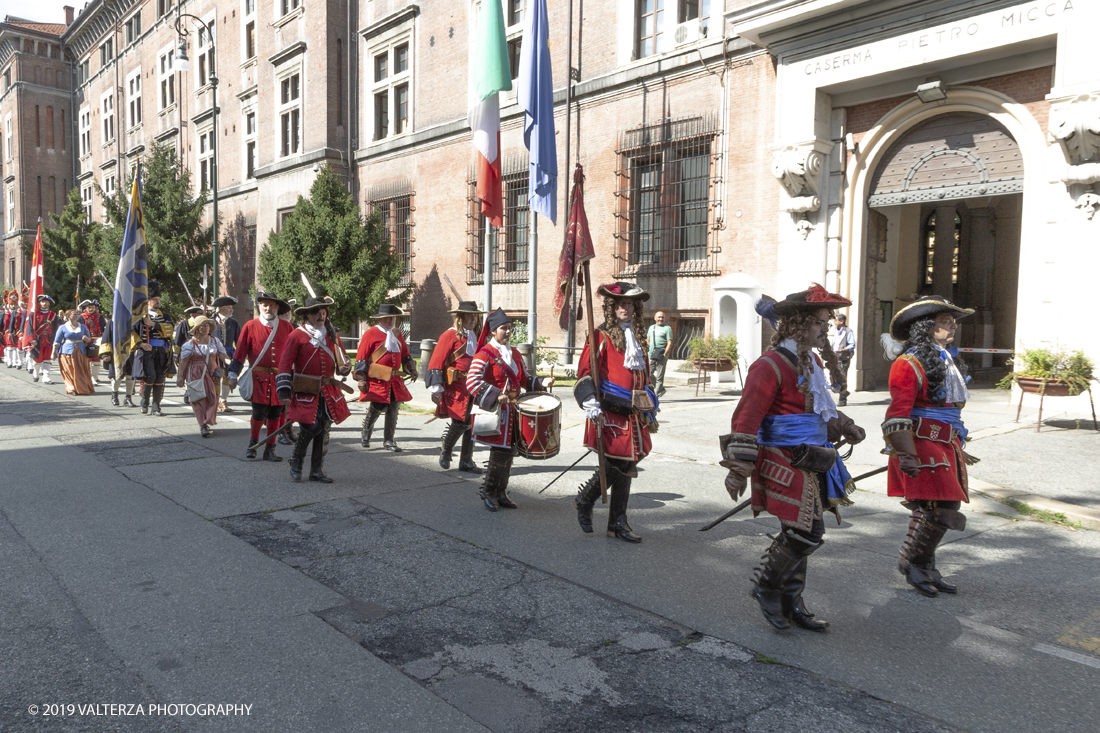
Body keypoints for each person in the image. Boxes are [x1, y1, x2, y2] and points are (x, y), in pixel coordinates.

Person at [721, 284, 866, 632]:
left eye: (826, 323)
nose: (824, 329)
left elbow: (821, 408)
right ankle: (767, 587)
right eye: (819, 322)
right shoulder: (768, 365)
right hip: (781, 457)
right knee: (807, 531)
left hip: (813, 457)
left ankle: (792, 600)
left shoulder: (811, 361)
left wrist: (846, 425)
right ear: (798, 324)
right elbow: (745, 420)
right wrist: (739, 470)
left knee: (798, 528)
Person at [882, 296, 976, 598]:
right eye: (945, 322)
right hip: (922, 443)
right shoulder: (907, 364)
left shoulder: (946, 359)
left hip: (947, 443)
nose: (952, 326)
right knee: (939, 507)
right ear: (926, 327)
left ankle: (924, 566)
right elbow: (897, 413)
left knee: (939, 507)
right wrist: (906, 453)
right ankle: (912, 563)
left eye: (952, 322)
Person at [573, 283, 659, 543]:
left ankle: (615, 522)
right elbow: (584, 374)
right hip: (610, 410)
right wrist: (589, 401)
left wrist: (650, 395)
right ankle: (588, 501)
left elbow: (643, 374)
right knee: (620, 462)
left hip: (635, 413)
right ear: (611, 307)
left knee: (630, 461)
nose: (626, 308)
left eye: (630, 304)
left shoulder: (637, 336)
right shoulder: (599, 337)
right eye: (620, 304)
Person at [465, 308, 553, 511]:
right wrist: (496, 395)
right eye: (504, 328)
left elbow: (524, 379)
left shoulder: (514, 353)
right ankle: (488, 492)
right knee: (499, 452)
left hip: (514, 411)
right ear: (493, 331)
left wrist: (542, 382)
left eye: (510, 328)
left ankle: (501, 492)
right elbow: (472, 382)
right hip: (497, 411)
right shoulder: (483, 354)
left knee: (510, 451)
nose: (508, 332)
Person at [276, 297, 352, 482]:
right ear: (308, 315)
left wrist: (345, 367)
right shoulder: (297, 335)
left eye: (324, 313)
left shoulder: (331, 334)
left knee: (324, 429)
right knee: (311, 427)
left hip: (327, 390)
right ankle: (296, 460)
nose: (321, 316)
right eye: (317, 313)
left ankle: (317, 470)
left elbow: (342, 358)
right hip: (305, 390)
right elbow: (285, 363)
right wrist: (284, 390)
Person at [228, 292, 293, 461]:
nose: (268, 308)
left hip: (279, 379)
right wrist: (233, 374)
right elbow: (240, 352)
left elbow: (294, 354)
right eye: (264, 305)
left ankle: (270, 449)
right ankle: (253, 444)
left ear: (277, 307)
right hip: (258, 379)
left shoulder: (287, 327)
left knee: (275, 414)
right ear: (259, 307)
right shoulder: (250, 326)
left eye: (271, 305)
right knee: (258, 413)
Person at [426, 301, 485, 473]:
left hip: (475, 384)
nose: (473, 318)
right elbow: (436, 362)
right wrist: (436, 388)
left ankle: (466, 460)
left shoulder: (477, 335)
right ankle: (446, 450)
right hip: (456, 386)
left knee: (473, 423)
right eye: (469, 315)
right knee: (460, 422)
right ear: (460, 317)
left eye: (475, 315)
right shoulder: (449, 335)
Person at [354, 304, 416, 452]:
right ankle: (366, 433)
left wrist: (411, 368)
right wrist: (361, 379)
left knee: (393, 409)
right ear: (381, 319)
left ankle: (389, 441)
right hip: (377, 378)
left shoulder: (397, 333)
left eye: (393, 317)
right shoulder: (371, 333)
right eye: (388, 317)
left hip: (394, 379)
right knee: (377, 408)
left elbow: (405, 354)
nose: (391, 320)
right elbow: (361, 358)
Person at [176, 316, 228, 437]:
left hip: (213, 373)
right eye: (202, 326)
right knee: (198, 399)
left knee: (213, 397)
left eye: (207, 325)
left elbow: (222, 354)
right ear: (197, 329)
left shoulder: (215, 341)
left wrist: (230, 362)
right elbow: (183, 362)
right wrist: (180, 377)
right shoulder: (190, 344)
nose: (205, 328)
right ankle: (203, 425)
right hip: (196, 373)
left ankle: (207, 420)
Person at [132, 281, 175, 416]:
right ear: (148, 301)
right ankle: (145, 401)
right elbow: (132, 332)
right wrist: (141, 344)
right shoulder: (140, 315)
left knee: (160, 378)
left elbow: (169, 330)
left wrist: (153, 324)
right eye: (154, 300)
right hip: (146, 351)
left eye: (158, 300)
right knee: (150, 376)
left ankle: (156, 405)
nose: (157, 302)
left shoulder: (165, 316)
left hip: (162, 351)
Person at [52, 309, 96, 395]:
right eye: (74, 314)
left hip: (81, 351)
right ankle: (72, 388)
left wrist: (86, 339)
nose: (76, 316)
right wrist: (53, 353)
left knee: (81, 370)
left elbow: (89, 339)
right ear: (68, 316)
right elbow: (57, 341)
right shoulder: (63, 327)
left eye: (76, 314)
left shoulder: (83, 327)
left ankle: (82, 387)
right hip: (67, 352)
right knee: (69, 370)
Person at [98, 314, 136, 407]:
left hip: (131, 351)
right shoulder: (112, 322)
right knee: (117, 375)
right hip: (116, 352)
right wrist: (106, 354)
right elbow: (106, 337)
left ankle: (128, 398)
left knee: (130, 375)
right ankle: (114, 395)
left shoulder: (133, 321)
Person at [213, 296, 241, 413]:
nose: (231, 310)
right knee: (215, 377)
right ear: (222, 309)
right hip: (213, 355)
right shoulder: (210, 322)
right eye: (229, 308)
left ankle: (223, 400)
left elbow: (239, 340)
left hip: (229, 354)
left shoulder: (233, 323)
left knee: (227, 377)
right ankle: (213, 401)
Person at [276, 299, 298, 446]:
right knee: (278, 405)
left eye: (289, 313)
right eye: (285, 313)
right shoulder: (273, 327)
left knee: (291, 403)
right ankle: (280, 432)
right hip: (276, 370)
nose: (288, 315)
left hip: (292, 369)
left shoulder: (295, 327)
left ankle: (288, 428)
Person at [25, 294, 60, 383]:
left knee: (47, 358)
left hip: (48, 339)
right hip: (38, 340)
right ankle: (36, 372)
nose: (45, 303)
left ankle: (46, 377)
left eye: (46, 302)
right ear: (39, 303)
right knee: (37, 359)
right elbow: (29, 327)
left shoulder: (53, 315)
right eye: (43, 302)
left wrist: (56, 340)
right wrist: (31, 339)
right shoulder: (34, 314)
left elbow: (56, 328)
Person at [174, 304, 205, 405]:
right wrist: (176, 354)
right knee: (188, 374)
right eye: (195, 315)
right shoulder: (184, 324)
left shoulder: (203, 325)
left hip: (200, 353)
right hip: (187, 353)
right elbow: (178, 341)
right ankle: (188, 392)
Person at [78, 299, 108, 385]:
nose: (91, 309)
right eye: (89, 307)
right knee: (86, 359)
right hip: (85, 340)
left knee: (96, 360)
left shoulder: (100, 317)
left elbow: (103, 328)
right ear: (86, 308)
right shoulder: (81, 317)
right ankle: (85, 377)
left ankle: (94, 377)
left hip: (96, 340)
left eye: (92, 307)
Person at [646, 310, 674, 398]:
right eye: (659, 317)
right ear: (655, 318)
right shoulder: (651, 327)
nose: (661, 319)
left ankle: (656, 395)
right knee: (649, 374)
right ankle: (660, 389)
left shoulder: (667, 328)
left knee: (659, 376)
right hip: (651, 354)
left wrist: (665, 354)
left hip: (662, 354)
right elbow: (648, 340)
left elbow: (669, 343)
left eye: (662, 317)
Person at [830, 313, 856, 406]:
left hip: (843, 358)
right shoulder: (836, 331)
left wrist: (841, 350)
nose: (834, 322)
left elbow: (852, 345)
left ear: (842, 321)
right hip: (835, 357)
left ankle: (842, 399)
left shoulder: (848, 331)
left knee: (842, 378)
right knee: (833, 377)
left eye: (836, 320)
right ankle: (844, 392)